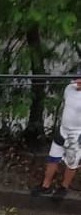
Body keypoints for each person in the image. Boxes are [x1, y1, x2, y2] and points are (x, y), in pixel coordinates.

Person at [32, 68, 81, 199]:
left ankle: (64, 187)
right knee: (53, 158)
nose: (76, 81)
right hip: (63, 130)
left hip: (76, 134)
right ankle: (45, 185)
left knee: (71, 162)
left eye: (79, 79)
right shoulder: (69, 89)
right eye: (76, 78)